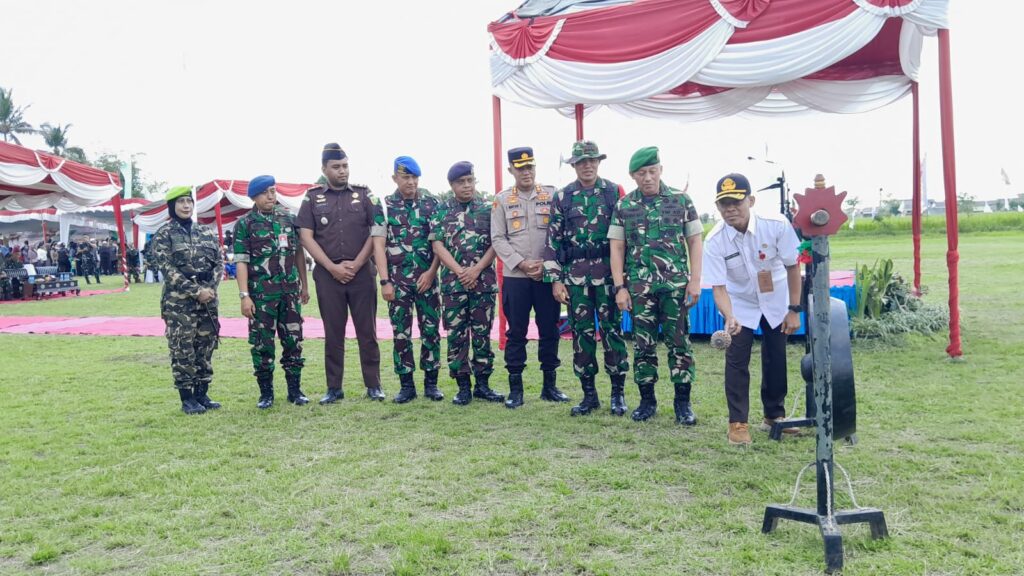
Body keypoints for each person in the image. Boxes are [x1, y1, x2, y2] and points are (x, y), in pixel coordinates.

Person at [702, 173, 802, 445]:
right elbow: (719, 287)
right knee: (736, 360)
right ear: (717, 207)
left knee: (776, 357)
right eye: (724, 204)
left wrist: (794, 309)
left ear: (751, 201)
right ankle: (737, 423)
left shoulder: (776, 225)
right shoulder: (715, 240)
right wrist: (729, 316)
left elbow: (793, 266)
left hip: (776, 297)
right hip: (739, 302)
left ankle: (774, 416)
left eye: (736, 202)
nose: (730, 209)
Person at [609, 146, 704, 423]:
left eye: (652, 171)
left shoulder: (681, 200)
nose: (648, 177)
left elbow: (695, 241)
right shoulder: (624, 206)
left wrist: (695, 281)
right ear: (633, 176)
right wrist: (620, 287)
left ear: (661, 170)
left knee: (680, 344)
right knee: (643, 345)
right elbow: (617, 248)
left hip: (675, 287)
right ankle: (647, 401)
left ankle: (683, 404)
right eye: (641, 173)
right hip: (639, 288)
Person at [543, 140, 630, 416]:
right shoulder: (563, 196)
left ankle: (617, 394)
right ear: (574, 165)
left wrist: (623, 280)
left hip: (608, 277)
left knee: (612, 332)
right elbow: (553, 240)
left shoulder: (614, 192)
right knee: (582, 336)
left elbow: (626, 236)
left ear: (599, 162)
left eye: (592, 160)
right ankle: (589, 395)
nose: (587, 166)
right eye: (581, 162)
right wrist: (556, 279)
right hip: (576, 280)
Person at [296, 143, 384, 404]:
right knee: (333, 333)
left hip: (361, 273)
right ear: (324, 169)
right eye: (336, 167)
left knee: (367, 332)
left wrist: (357, 263)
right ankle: (334, 388)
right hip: (328, 275)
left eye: (345, 166)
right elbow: (306, 237)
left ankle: (374, 385)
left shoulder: (364, 194)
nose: (342, 171)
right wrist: (331, 267)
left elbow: (376, 231)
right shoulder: (312, 198)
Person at [489, 146, 566, 409]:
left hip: (546, 276)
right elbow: (498, 238)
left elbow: (558, 233)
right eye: (520, 168)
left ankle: (550, 387)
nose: (526, 172)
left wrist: (548, 265)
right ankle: (516, 390)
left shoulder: (551, 195)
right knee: (516, 332)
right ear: (511, 170)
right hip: (516, 277)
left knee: (550, 329)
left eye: (530, 167)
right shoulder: (502, 199)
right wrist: (521, 263)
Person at [429, 161, 503, 406]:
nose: (467, 185)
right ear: (452, 185)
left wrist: (477, 269)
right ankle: (462, 387)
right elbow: (438, 245)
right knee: (457, 336)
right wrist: (461, 272)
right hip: (454, 285)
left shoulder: (488, 208)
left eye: (470, 180)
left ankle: (483, 385)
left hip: (483, 283)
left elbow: (497, 242)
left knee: (482, 334)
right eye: (461, 182)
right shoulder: (441, 210)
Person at [371, 156, 444, 403]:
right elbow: (378, 245)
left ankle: (431, 384)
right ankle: (406, 386)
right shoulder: (384, 205)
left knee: (431, 331)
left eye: (414, 177)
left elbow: (438, 243)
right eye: (406, 177)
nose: (411, 182)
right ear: (395, 178)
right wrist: (385, 281)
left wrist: (432, 272)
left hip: (427, 280)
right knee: (401, 334)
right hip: (398, 282)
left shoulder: (432, 203)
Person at [234, 175, 311, 409]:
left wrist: (304, 285)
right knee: (262, 344)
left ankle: (295, 391)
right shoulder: (245, 224)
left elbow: (298, 253)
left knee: (293, 341)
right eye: (265, 192)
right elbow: (241, 261)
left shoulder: (288, 218)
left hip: (290, 293)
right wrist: (244, 296)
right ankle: (266, 393)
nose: (270, 196)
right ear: (254, 197)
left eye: (273, 191)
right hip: (261, 297)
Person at [150, 186, 223, 414]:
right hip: (179, 303)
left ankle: (202, 394)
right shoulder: (164, 234)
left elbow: (219, 263)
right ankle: (187, 398)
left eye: (189, 201)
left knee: (205, 347)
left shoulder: (206, 232)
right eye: (181, 202)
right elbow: (167, 269)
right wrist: (195, 291)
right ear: (172, 206)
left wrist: (209, 289)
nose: (186, 206)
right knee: (183, 349)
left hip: (207, 301)